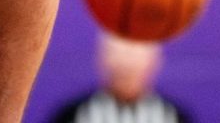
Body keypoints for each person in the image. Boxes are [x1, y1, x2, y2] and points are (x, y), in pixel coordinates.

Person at [47, 31, 192, 123]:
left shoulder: (174, 115)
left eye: (135, 54)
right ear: (101, 60)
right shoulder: (73, 114)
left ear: (154, 62)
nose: (126, 62)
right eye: (117, 53)